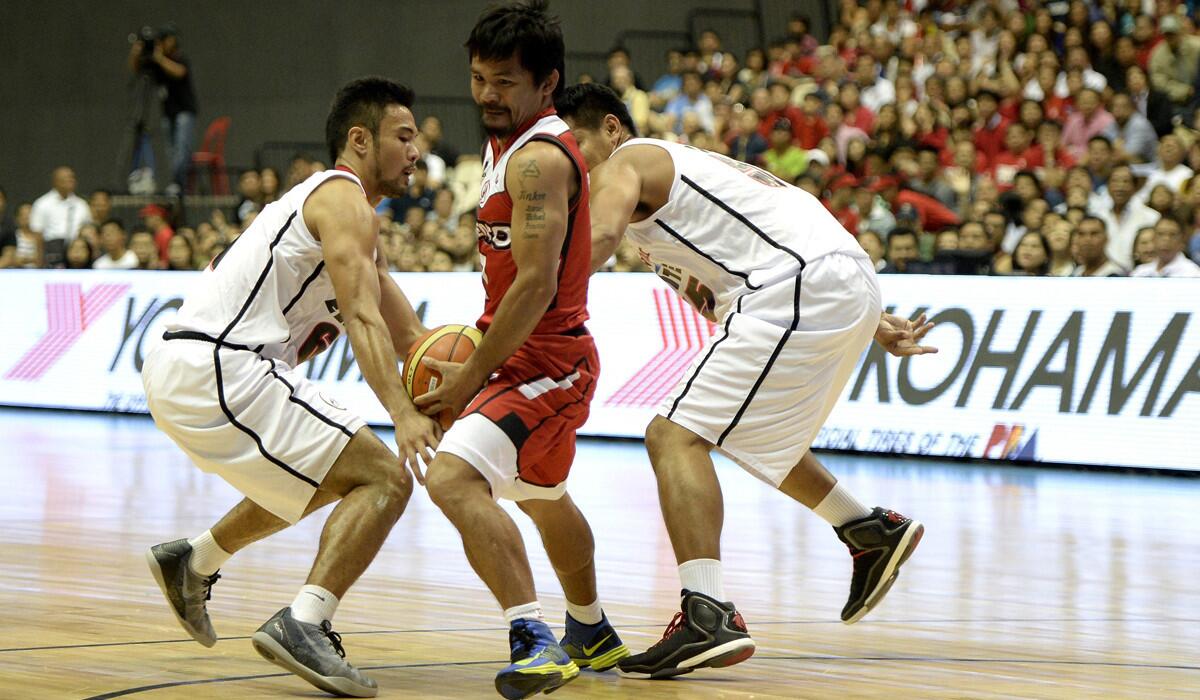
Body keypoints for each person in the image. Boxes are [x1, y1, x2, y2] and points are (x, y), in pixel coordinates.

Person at [557, 82, 929, 679]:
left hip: (796, 285)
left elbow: (595, 240)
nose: (572, 162)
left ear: (610, 128)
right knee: (743, 434)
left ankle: (708, 613)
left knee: (673, 437)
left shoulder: (629, 161)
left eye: (575, 144)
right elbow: (727, 272)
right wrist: (874, 321)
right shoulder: (672, 192)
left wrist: (534, 298)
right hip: (826, 282)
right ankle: (867, 530)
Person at [140, 77, 440, 697]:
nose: (417, 152)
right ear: (360, 140)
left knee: (326, 476)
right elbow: (361, 317)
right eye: (404, 137)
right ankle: (305, 623)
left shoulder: (356, 226)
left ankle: (193, 562)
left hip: (196, 372)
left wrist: (494, 382)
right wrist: (403, 414)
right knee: (383, 477)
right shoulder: (341, 199)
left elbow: (416, 339)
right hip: (221, 367)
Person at [414, 4, 627, 698]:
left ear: (546, 84)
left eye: (504, 82)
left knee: (450, 479)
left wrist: (470, 375)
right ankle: (590, 630)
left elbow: (534, 286)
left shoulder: (537, 160)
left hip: (547, 364)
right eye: (478, 78)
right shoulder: (502, 146)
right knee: (544, 496)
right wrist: (479, 348)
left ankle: (533, 640)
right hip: (525, 356)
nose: (486, 95)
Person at [129, 25, 198, 196]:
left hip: (184, 111)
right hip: (168, 113)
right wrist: (136, 53)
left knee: (182, 149)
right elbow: (135, 69)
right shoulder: (156, 63)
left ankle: (179, 185)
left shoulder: (179, 58)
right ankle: (177, 184)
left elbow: (179, 72)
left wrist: (159, 58)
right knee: (171, 151)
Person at [30, 166, 91, 267]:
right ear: (55, 182)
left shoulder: (82, 205)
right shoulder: (42, 204)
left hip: (76, 251)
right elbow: (37, 235)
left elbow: (88, 229)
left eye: (72, 178)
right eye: (65, 178)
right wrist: (39, 261)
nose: (70, 180)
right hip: (51, 250)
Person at [1131, 216, 1200, 277]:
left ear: (1182, 240)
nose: (1166, 240)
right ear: (1154, 238)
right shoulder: (1140, 273)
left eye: (1172, 235)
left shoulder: (1192, 274)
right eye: (1160, 234)